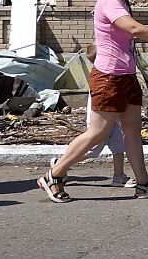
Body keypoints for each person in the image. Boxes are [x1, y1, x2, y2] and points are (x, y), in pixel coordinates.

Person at [38, 0, 148, 202]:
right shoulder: (109, 2)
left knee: (133, 132)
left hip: (126, 76)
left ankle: (143, 184)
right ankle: (54, 174)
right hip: (108, 77)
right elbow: (135, 29)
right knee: (97, 133)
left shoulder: (121, 1)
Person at [49, 42, 136, 189]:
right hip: (99, 119)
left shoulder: (113, 73)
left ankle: (119, 176)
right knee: (92, 151)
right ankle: (61, 164)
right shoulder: (101, 76)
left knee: (118, 146)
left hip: (112, 117)